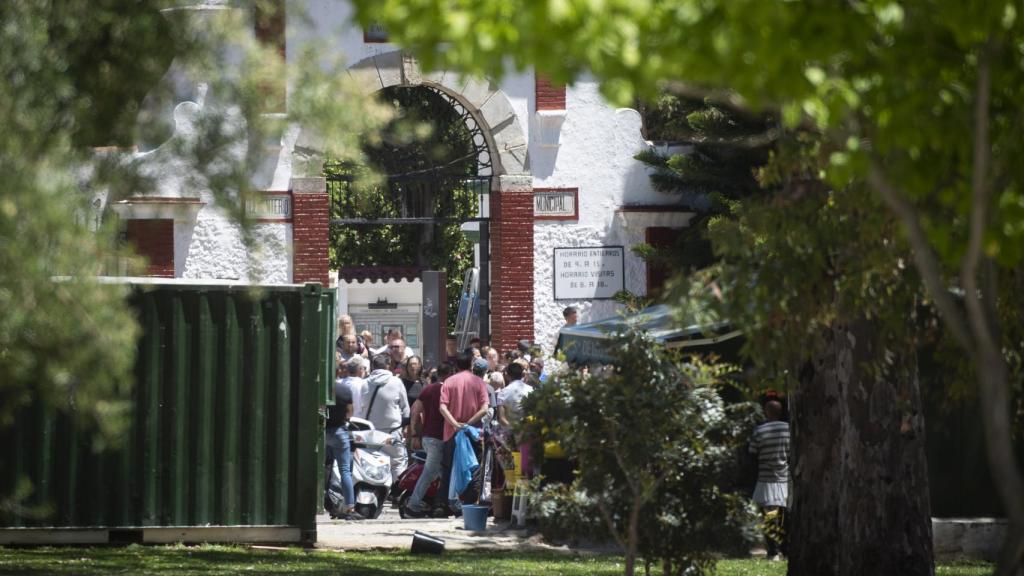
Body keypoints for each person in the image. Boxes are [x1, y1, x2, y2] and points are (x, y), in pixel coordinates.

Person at [438, 350, 489, 513]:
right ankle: (469, 505)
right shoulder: (479, 382)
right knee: (473, 470)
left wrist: (455, 424)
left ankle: (446, 505)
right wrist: (468, 423)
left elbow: (442, 407)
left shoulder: (448, 382)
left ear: (456, 365)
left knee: (448, 469)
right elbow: (484, 409)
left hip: (451, 434)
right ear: (471, 364)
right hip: (474, 434)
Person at [403, 364, 448, 517]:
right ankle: (413, 505)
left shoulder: (428, 389)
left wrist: (415, 434)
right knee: (430, 472)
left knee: (442, 472)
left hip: (428, 438)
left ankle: (443, 503)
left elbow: (415, 410)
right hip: (438, 438)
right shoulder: (448, 390)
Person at [749, 399, 791, 561]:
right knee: (783, 516)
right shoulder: (788, 429)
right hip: (784, 479)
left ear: (766, 411)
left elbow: (752, 454)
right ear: (780, 412)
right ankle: (786, 549)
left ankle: (773, 551)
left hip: (765, 481)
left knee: (768, 516)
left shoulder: (759, 431)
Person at [362, 354, 411, 483]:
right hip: (391, 431)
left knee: (370, 461)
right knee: (397, 462)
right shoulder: (396, 382)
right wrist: (406, 425)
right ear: (388, 365)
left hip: (369, 432)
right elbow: (405, 408)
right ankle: (394, 491)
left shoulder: (364, 383)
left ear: (373, 366)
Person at [325, 365, 363, 521]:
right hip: (340, 432)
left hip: (323, 432)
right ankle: (350, 507)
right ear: (337, 372)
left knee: (323, 469)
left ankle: (321, 502)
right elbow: (350, 412)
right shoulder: (344, 390)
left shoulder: (320, 390)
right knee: (345, 471)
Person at [496, 361, 534, 479]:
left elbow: (501, 419)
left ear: (507, 375)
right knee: (527, 469)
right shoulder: (531, 390)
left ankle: (511, 493)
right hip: (529, 434)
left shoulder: (503, 393)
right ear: (522, 375)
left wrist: (513, 429)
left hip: (510, 437)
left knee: (512, 470)